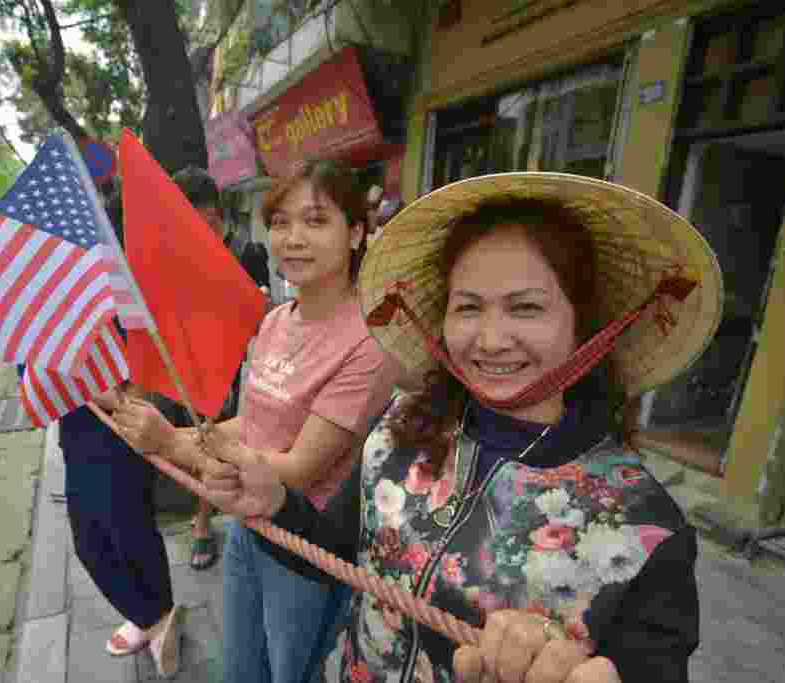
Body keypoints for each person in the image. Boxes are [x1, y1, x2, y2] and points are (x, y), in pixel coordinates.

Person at [195, 173, 723, 683]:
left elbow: (650, 666)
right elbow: (331, 556)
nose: (491, 340)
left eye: (527, 308)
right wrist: (276, 504)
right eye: (468, 307)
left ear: (584, 323)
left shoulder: (648, 528)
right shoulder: (399, 432)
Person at [112, 159, 402, 683]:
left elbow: (297, 470)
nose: (293, 238)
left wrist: (173, 446)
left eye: (316, 221)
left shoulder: (368, 342)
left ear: (357, 233)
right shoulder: (274, 322)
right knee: (241, 672)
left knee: (291, 674)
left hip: (303, 550)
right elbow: (249, 424)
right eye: (280, 222)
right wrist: (165, 432)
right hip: (248, 529)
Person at [31, 187, 185, 676]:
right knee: (89, 542)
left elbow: (151, 383)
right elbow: (34, 377)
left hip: (122, 440)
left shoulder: (134, 291)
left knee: (130, 533)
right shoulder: (56, 295)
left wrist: (110, 394)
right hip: (77, 439)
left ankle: (158, 614)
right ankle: (153, 614)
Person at [169, 165, 270, 571]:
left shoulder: (247, 253)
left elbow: (263, 320)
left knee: (212, 440)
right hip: (180, 360)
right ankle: (204, 507)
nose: (199, 233)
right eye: (188, 223)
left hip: (224, 366)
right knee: (185, 442)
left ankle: (203, 522)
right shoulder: (174, 254)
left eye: (206, 223)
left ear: (219, 215)